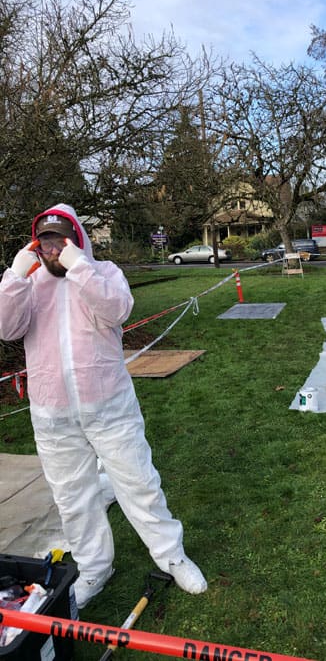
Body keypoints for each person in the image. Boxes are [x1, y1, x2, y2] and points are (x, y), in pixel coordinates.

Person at [0, 204, 207, 608]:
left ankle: (172, 555)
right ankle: (94, 569)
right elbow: (7, 327)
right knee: (72, 498)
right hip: (52, 413)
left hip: (110, 406)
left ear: (77, 239)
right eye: (46, 242)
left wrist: (79, 266)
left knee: (139, 485)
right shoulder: (31, 282)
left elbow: (116, 310)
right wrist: (14, 275)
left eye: (62, 241)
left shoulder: (104, 273)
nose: (54, 250)